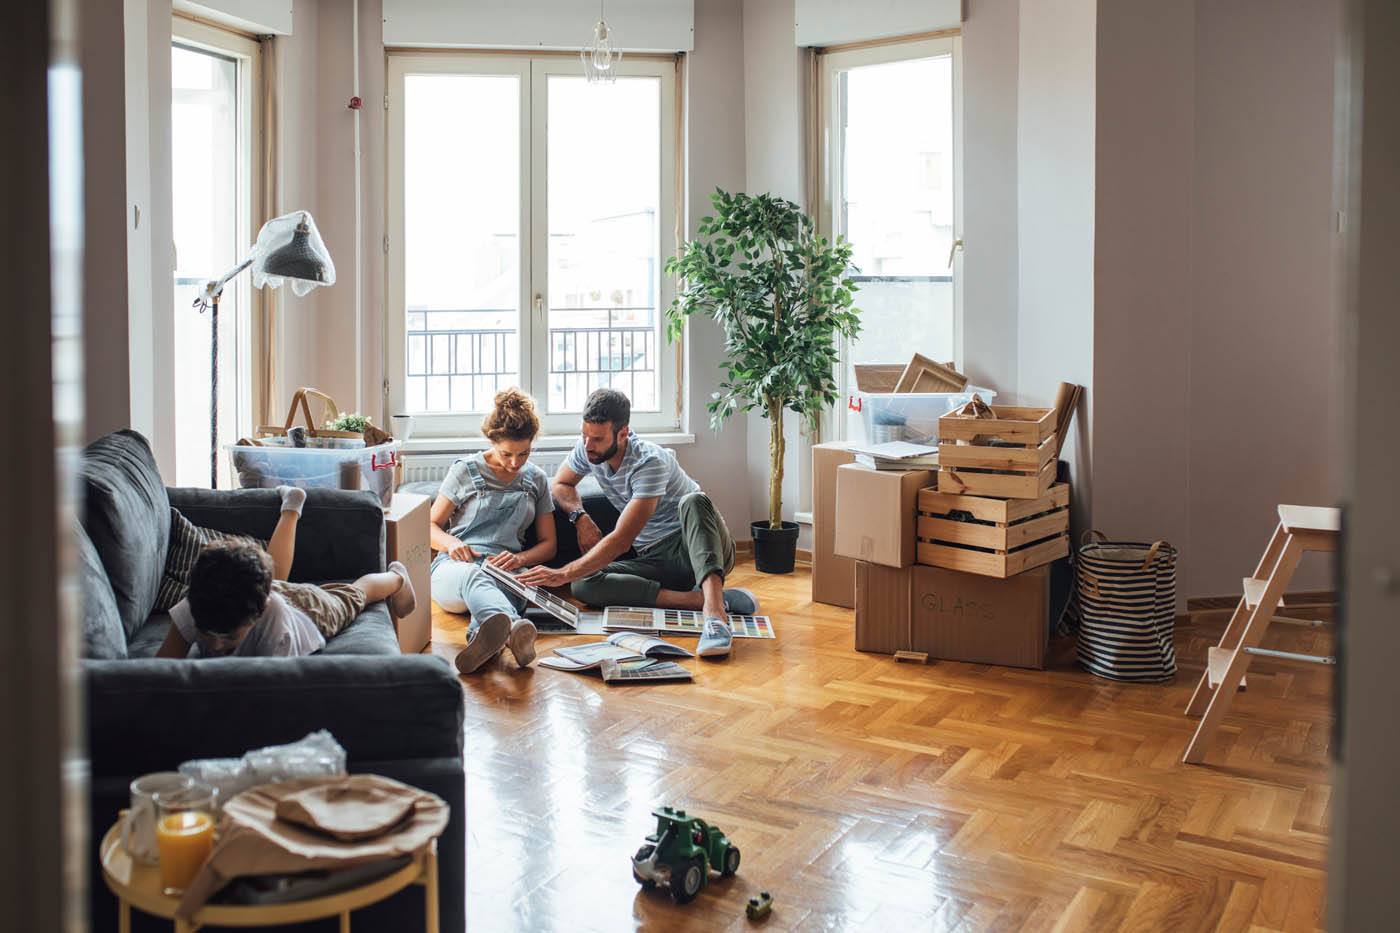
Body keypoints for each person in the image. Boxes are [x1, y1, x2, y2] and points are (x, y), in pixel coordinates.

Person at [516, 388, 757, 659]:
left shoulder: (650, 462)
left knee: (694, 500)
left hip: (698, 546)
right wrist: (580, 518)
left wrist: (561, 573)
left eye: (596, 438)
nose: (587, 445)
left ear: (623, 433)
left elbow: (621, 540)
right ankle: (696, 599)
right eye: (584, 436)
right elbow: (561, 483)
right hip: (655, 559)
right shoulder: (588, 450)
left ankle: (715, 615)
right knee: (584, 584)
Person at [156, 485, 416, 658]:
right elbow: (160, 670)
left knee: (355, 594)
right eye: (206, 633)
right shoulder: (197, 606)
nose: (215, 645)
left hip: (307, 610)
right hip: (260, 594)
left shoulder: (277, 630)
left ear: (258, 615)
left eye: (229, 638)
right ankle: (291, 509)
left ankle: (396, 578)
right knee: (275, 575)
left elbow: (278, 691)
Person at [429, 388, 558, 674]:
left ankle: (482, 640)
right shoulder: (465, 470)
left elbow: (549, 545)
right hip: (456, 569)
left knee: (498, 590)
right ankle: (513, 631)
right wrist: (451, 544)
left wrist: (521, 560)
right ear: (491, 441)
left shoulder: (536, 479)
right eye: (506, 454)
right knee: (475, 575)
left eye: (524, 453)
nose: (515, 463)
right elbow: (429, 525)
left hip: (506, 575)